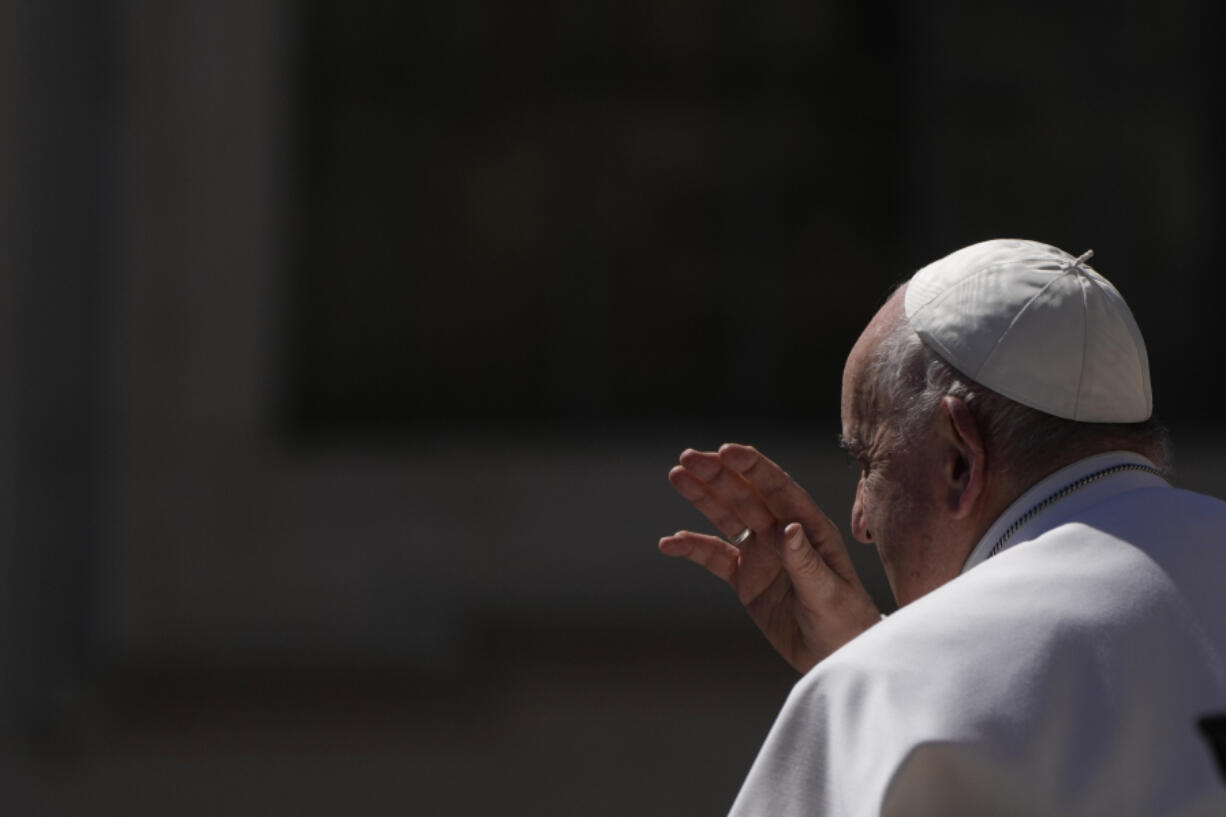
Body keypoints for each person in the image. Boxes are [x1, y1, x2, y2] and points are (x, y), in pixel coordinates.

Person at [660, 239, 1226, 816]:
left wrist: (884, 687)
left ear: (960, 458)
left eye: (868, 461)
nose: (859, 522)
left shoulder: (882, 694)